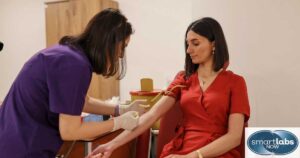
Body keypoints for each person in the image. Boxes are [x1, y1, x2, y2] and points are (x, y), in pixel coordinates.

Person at [88, 17, 250, 158]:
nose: (189, 50)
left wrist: (194, 156)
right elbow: (151, 116)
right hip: (182, 150)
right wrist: (112, 144)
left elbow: (234, 137)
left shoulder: (236, 82)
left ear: (214, 44)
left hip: (217, 152)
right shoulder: (183, 78)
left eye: (195, 43)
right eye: (187, 44)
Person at [0, 8, 148, 158]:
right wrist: (119, 122)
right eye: (122, 47)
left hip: (14, 141)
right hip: (23, 148)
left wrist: (120, 109)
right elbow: (70, 131)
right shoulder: (73, 64)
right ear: (108, 42)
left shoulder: (69, 55)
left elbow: (82, 102)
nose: (120, 55)